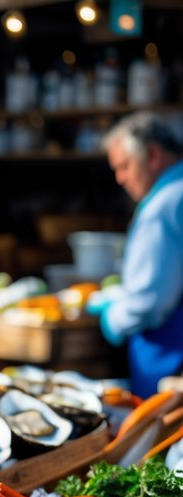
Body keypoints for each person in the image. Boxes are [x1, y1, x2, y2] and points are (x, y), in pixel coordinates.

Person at [87, 111, 183, 398]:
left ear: (152, 155)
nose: (120, 178)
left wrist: (113, 317)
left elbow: (148, 302)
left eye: (125, 166)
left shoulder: (163, 208)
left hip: (169, 363)